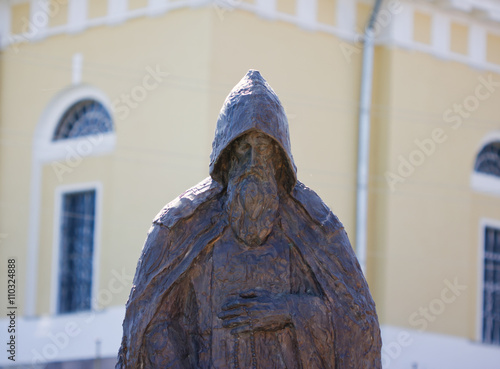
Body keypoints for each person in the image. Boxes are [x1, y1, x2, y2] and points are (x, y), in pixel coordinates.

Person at [116, 70, 381, 369]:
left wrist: (289, 310)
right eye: (244, 148)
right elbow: (150, 324)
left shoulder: (317, 227)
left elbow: (357, 324)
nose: (254, 163)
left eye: (264, 149)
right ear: (226, 158)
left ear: (279, 160)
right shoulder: (178, 227)